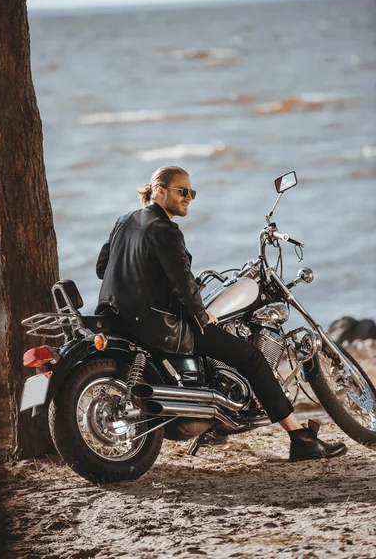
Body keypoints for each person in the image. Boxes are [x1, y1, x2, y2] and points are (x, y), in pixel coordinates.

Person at [95, 165, 347, 462]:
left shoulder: (124, 221)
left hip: (121, 317)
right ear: (159, 191)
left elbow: (103, 268)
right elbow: (183, 283)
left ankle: (218, 423)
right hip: (156, 325)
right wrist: (202, 317)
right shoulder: (165, 230)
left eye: (193, 192)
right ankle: (299, 437)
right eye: (183, 191)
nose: (189, 197)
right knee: (250, 357)